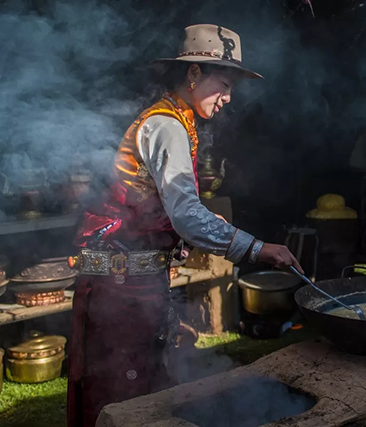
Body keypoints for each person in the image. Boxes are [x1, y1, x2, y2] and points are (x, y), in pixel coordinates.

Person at [66, 24, 303, 427]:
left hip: (132, 284)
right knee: (123, 400)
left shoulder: (176, 120)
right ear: (194, 73)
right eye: (224, 85)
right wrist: (259, 248)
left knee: (145, 391)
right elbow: (186, 215)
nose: (228, 98)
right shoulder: (167, 125)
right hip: (121, 290)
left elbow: (165, 209)